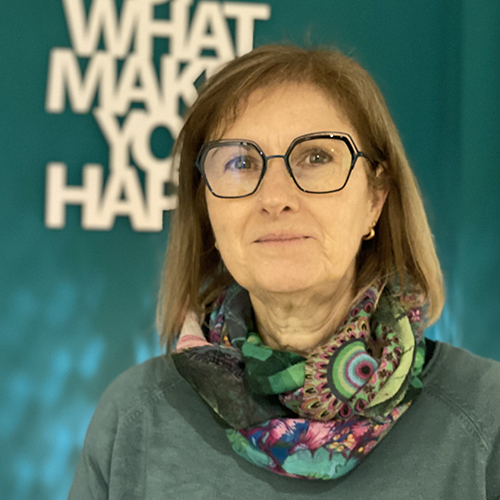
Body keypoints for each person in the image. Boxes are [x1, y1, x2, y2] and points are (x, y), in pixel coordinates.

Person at [68, 45, 500, 499]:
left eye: (315, 158)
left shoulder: (485, 418)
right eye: (240, 162)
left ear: (375, 198)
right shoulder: (134, 420)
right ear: (207, 207)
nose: (275, 198)